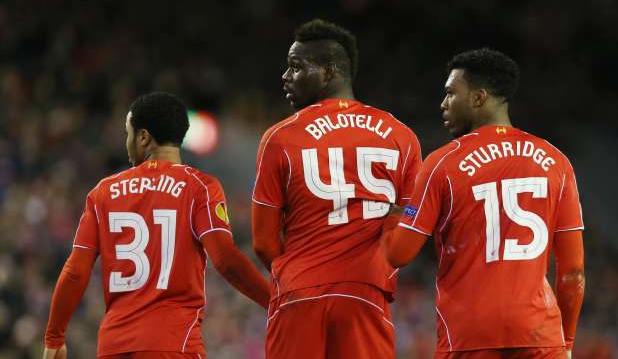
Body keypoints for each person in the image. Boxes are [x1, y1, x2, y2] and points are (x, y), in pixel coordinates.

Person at [384, 48, 585, 359]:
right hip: (540, 336)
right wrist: (567, 342)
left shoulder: (441, 163)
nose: (443, 103)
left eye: (451, 93)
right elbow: (572, 272)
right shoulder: (556, 162)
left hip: (469, 335)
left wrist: (396, 210)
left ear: (478, 98)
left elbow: (399, 253)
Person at [42, 92, 270, 359]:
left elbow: (75, 271)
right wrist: (273, 300)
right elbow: (225, 260)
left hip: (114, 347)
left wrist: (54, 337)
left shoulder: (103, 192)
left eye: (128, 133)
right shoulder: (199, 188)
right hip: (173, 345)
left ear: (143, 137)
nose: (127, 143)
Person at [251, 19, 421, 359]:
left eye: (296, 67)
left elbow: (263, 243)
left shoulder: (281, 137)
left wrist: (303, 271)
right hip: (366, 295)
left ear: (329, 72)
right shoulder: (402, 136)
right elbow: (412, 222)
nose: (285, 77)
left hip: (298, 294)